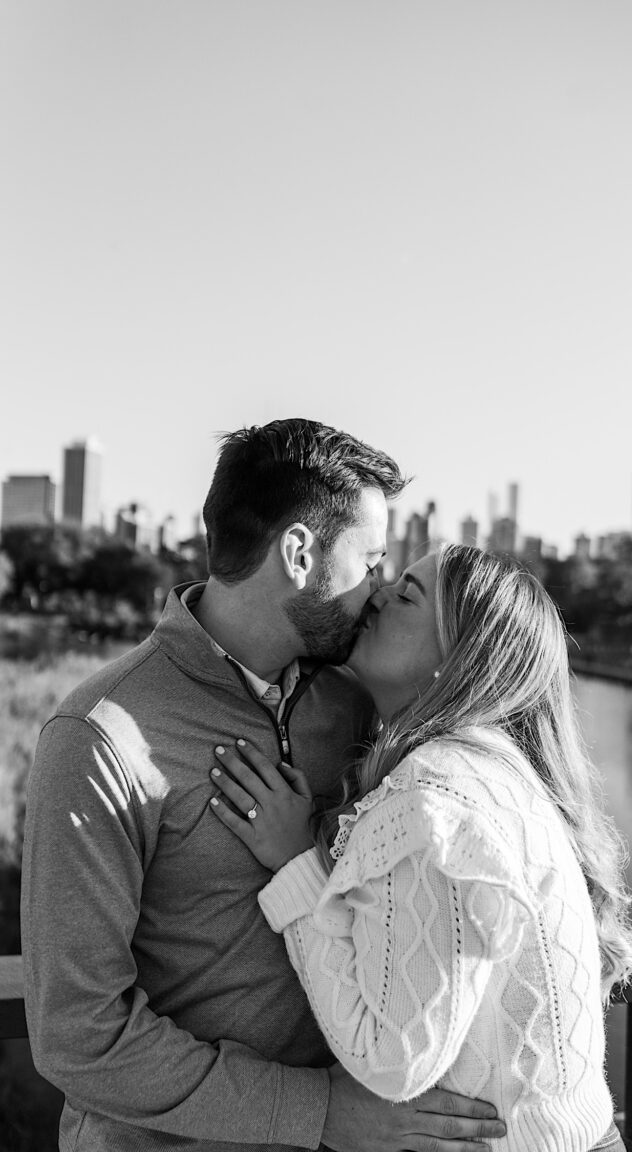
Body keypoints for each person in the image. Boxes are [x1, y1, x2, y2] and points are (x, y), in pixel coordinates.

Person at [21, 420, 507, 1152]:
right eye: (371, 561)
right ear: (300, 552)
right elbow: (79, 1036)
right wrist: (321, 1113)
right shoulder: (98, 739)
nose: (379, 590)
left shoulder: (352, 703)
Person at [209, 544, 632, 1152]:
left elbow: (393, 1060)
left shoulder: (435, 795)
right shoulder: (494, 769)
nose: (377, 593)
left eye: (407, 594)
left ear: (458, 659)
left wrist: (296, 868)